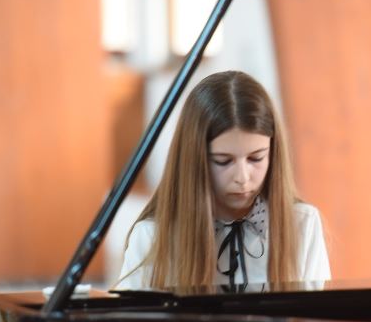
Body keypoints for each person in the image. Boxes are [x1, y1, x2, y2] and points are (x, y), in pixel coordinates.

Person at [115, 70, 330, 290]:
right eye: (223, 161)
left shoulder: (302, 223)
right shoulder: (152, 236)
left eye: (256, 158)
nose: (242, 178)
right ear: (193, 159)